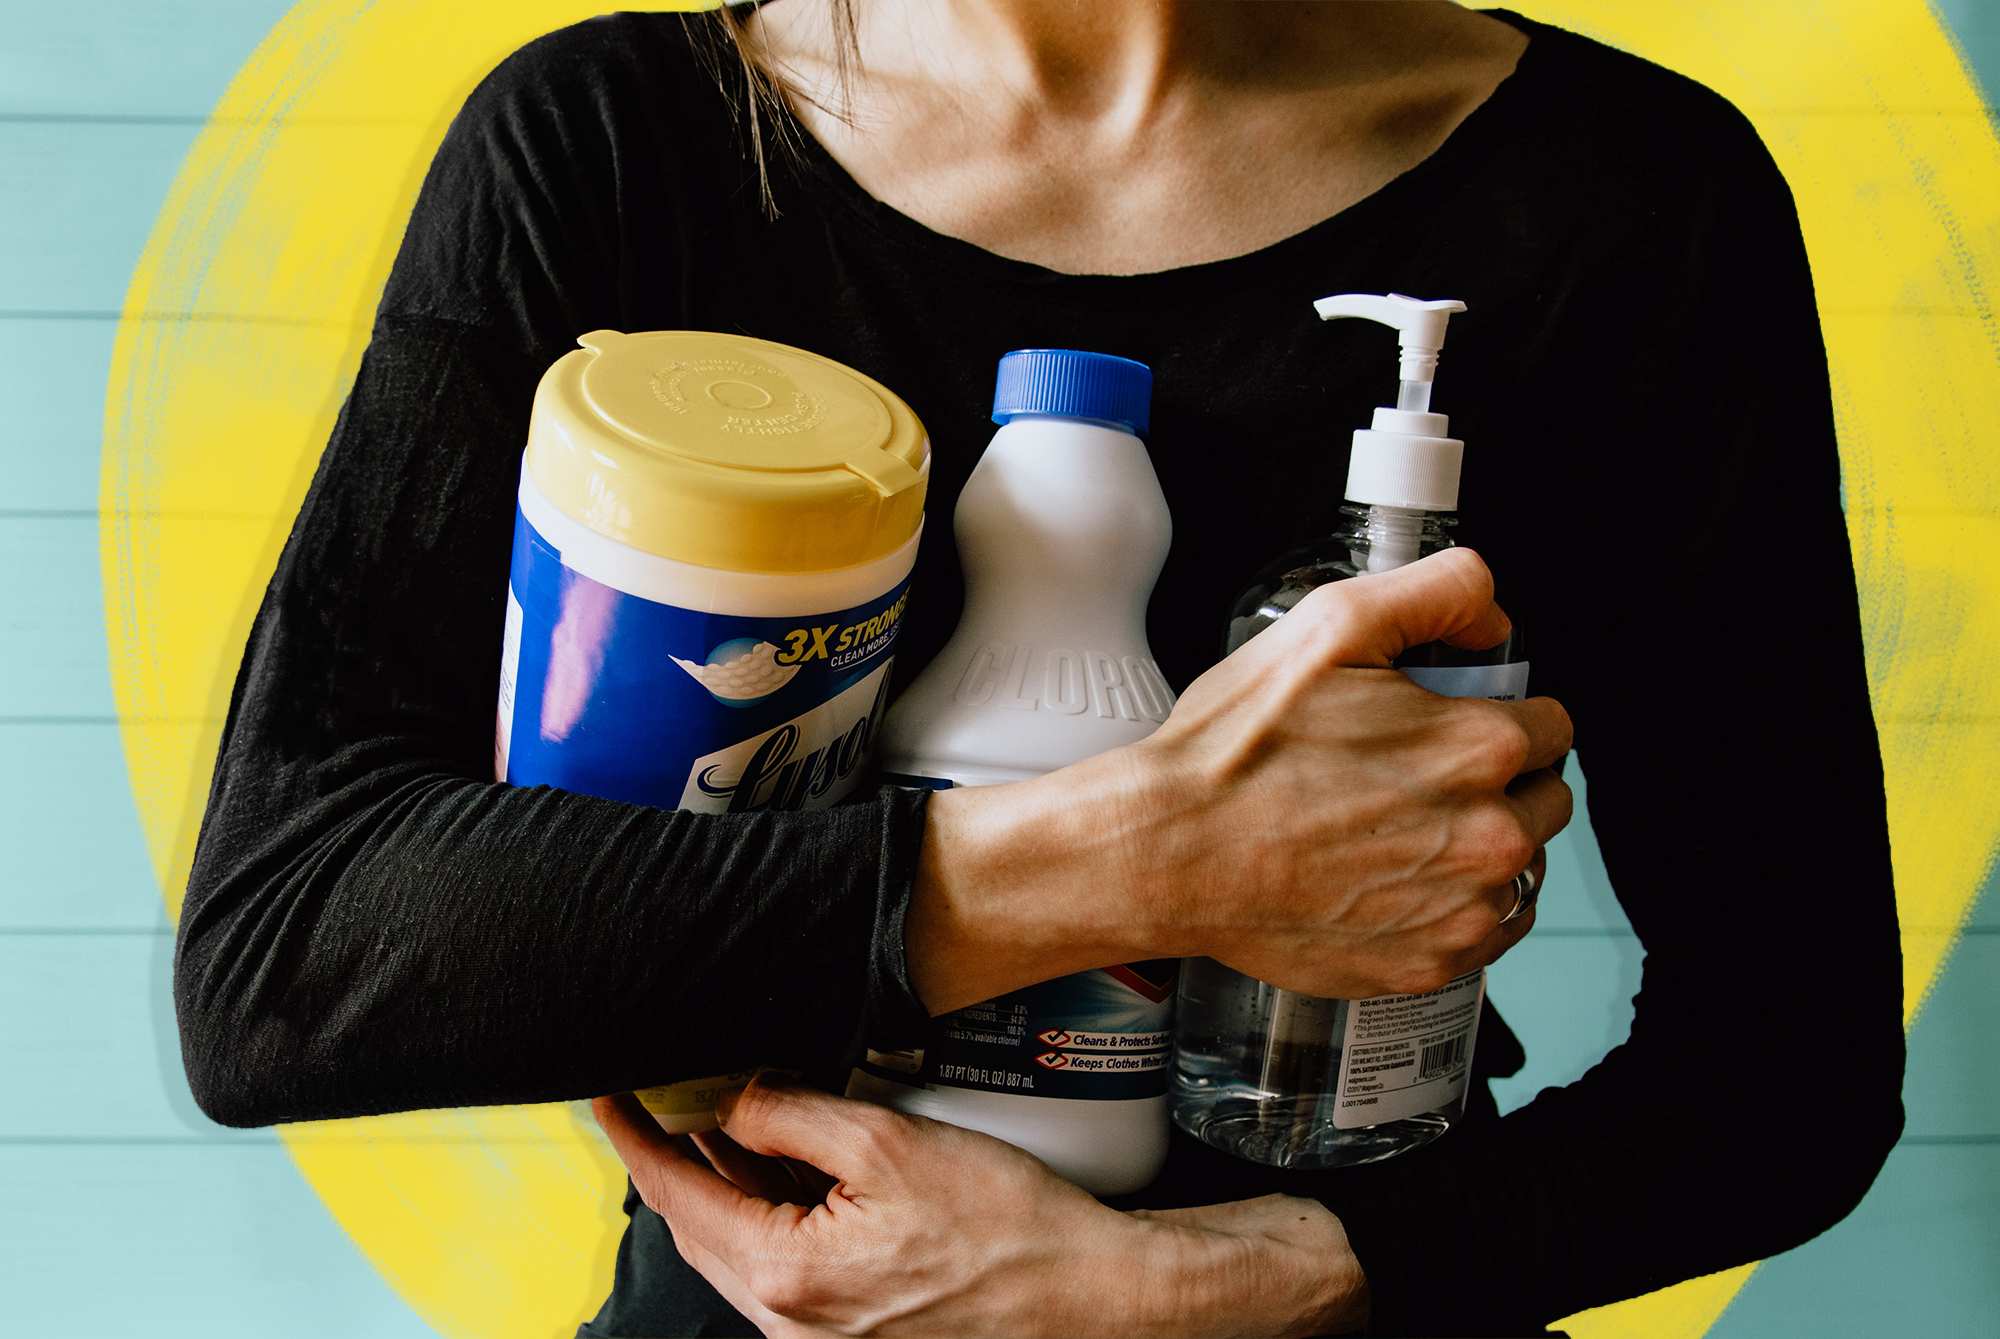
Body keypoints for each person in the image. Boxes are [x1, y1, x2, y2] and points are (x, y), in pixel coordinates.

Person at [171, 2, 1905, 1335]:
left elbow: (1789, 1077)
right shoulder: (621, 151)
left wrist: (1222, 1291)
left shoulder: (1630, 202)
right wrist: (1144, 859)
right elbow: (292, 957)